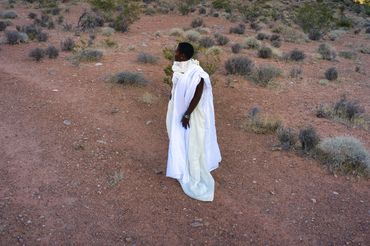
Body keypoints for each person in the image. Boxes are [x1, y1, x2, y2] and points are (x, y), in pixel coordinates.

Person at [166, 42, 221, 202]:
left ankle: (192, 171)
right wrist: (172, 103)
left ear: (182, 55)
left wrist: (187, 114)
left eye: (176, 51)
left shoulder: (197, 72)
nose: (174, 53)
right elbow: (175, 88)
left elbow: (197, 95)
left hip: (191, 114)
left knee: (192, 141)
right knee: (178, 139)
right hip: (176, 110)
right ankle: (180, 163)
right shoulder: (178, 67)